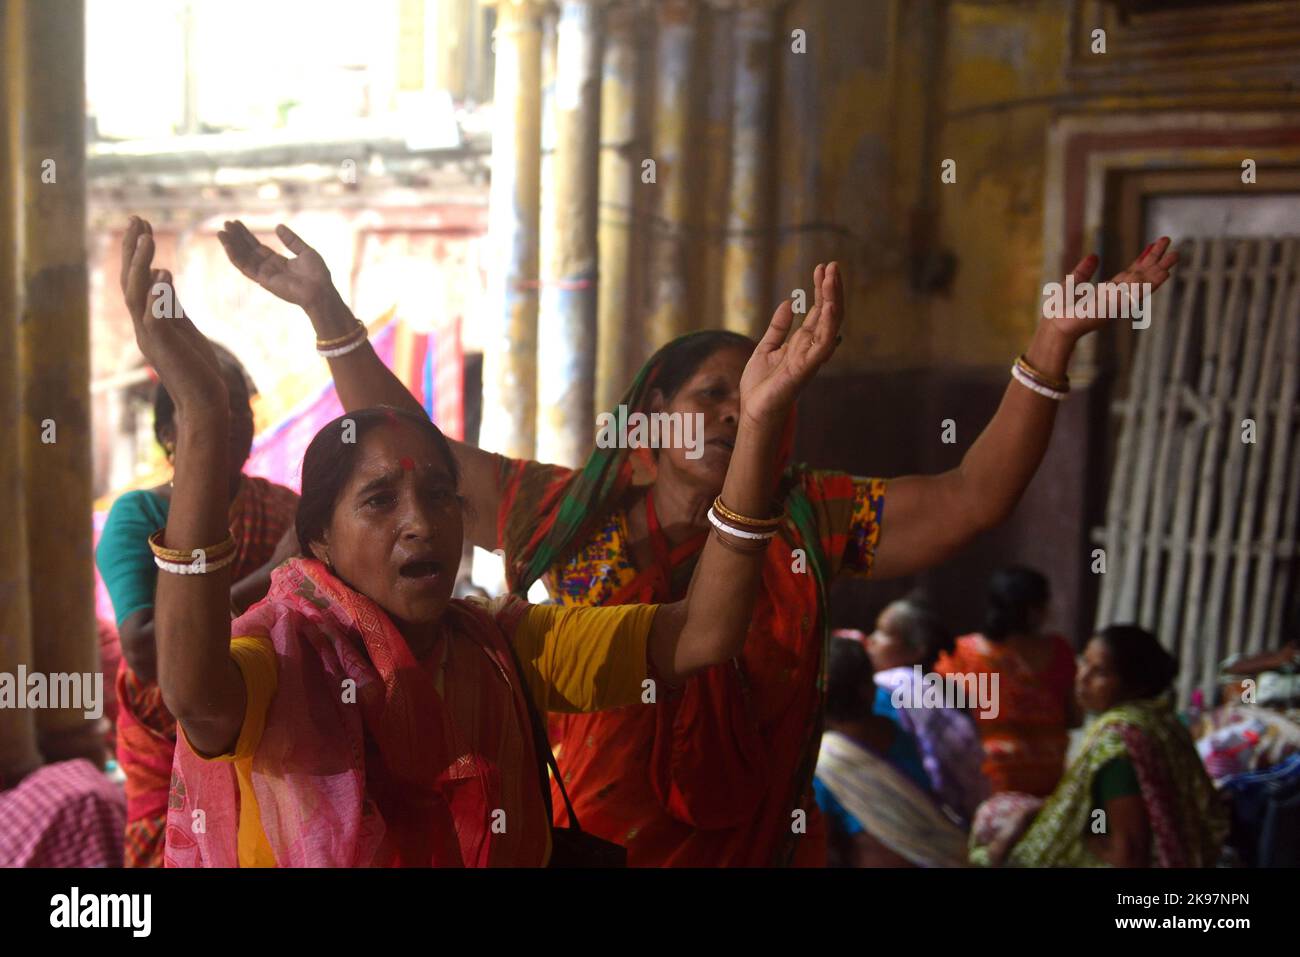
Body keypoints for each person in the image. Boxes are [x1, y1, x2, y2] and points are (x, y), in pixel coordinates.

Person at [214, 217, 1179, 865]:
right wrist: (330, 316)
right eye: (707, 395)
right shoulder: (565, 511)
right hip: (596, 842)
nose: (729, 413)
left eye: (749, 391)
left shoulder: (808, 517)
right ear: (648, 424)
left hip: (755, 848)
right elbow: (410, 447)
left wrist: (1049, 351)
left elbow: (973, 494)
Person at [120, 215, 841, 867]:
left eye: (440, 494)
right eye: (379, 500)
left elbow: (702, 633)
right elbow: (196, 694)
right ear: (319, 543)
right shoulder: (285, 657)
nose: (421, 521)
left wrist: (758, 428)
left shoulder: (500, 648)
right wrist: (204, 415)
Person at [96, 218, 299, 866]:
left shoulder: (283, 506)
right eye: (212, 406)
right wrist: (273, 571)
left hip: (271, 740)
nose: (234, 422)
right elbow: (147, 649)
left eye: (239, 407)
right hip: (174, 766)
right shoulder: (136, 514)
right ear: (169, 436)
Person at [972, 625, 1227, 867]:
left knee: (993, 820)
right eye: (1084, 662)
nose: (1082, 678)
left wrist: (1075, 834)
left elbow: (1128, 853)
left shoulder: (1117, 741)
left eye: (1101, 672)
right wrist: (1032, 815)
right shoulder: (1162, 721)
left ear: (1134, 684)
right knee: (1010, 811)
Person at [814, 637, 968, 867]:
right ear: (869, 689)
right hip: (949, 855)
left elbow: (817, 842)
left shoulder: (823, 763)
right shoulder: (895, 729)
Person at [934, 566, 1079, 797]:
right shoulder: (1059, 652)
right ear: (1036, 610)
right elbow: (1074, 717)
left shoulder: (961, 653)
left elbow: (944, 722)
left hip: (987, 785)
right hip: (1049, 787)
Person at [866, 594, 988, 823]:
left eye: (884, 633)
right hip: (965, 814)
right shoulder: (945, 688)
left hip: (920, 815)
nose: (871, 640)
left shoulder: (889, 689)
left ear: (916, 651)